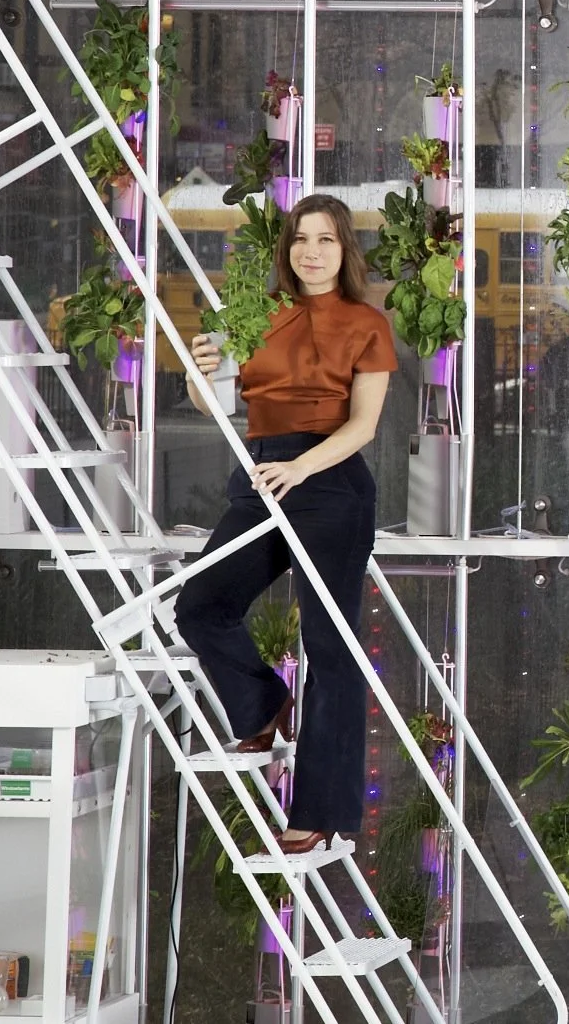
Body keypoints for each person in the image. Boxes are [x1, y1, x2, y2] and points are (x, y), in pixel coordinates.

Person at [176, 193, 397, 855]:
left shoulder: (365, 323)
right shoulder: (258, 314)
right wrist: (199, 370)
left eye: (326, 240)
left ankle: (320, 812)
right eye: (302, 239)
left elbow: (363, 426)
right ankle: (264, 704)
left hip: (329, 481)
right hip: (260, 473)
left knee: (330, 649)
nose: (311, 251)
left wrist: (302, 468)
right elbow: (213, 398)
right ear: (287, 248)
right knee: (201, 604)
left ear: (344, 250)